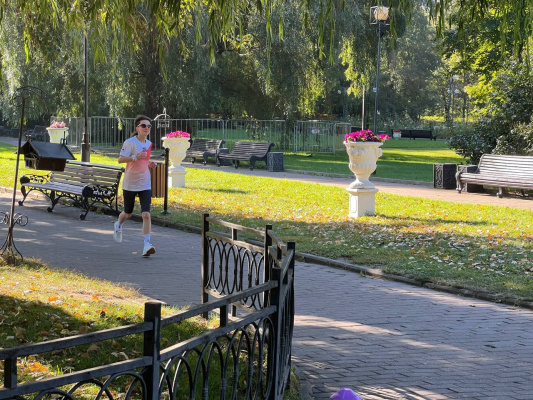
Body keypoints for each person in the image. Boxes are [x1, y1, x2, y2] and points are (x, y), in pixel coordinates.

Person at [113, 115, 156, 257]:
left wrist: (150, 163)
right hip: (130, 183)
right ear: (137, 128)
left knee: (146, 214)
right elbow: (120, 159)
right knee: (128, 213)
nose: (146, 128)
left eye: (149, 126)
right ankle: (118, 224)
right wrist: (135, 157)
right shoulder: (130, 143)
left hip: (145, 183)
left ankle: (147, 244)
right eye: (144, 126)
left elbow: (145, 161)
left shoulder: (149, 144)